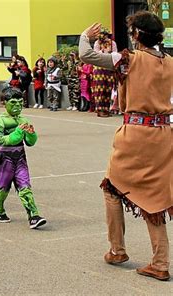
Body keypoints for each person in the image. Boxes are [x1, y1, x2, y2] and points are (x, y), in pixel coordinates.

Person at [79, 12, 172, 281]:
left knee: (112, 187)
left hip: (135, 135)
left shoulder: (129, 59)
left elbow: (87, 56)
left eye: (132, 32)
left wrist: (86, 36)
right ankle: (160, 261)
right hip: (164, 134)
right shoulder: (171, 63)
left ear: (138, 35)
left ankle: (117, 250)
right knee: (155, 198)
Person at [0, 87, 47, 228]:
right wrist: (17, 133)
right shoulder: (0, 121)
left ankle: (33, 215)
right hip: (6, 158)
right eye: (13, 103)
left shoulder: (23, 119)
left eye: (20, 103)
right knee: (3, 187)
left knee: (25, 185)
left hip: (20, 157)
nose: (17, 106)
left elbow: (30, 142)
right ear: (5, 103)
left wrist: (31, 134)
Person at [91, 28, 117, 117]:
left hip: (109, 67)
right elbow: (96, 54)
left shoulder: (112, 43)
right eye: (102, 34)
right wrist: (104, 52)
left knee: (108, 88)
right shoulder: (97, 43)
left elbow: (115, 54)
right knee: (100, 88)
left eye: (105, 34)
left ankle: (106, 109)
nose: (103, 36)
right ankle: (99, 109)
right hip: (99, 68)